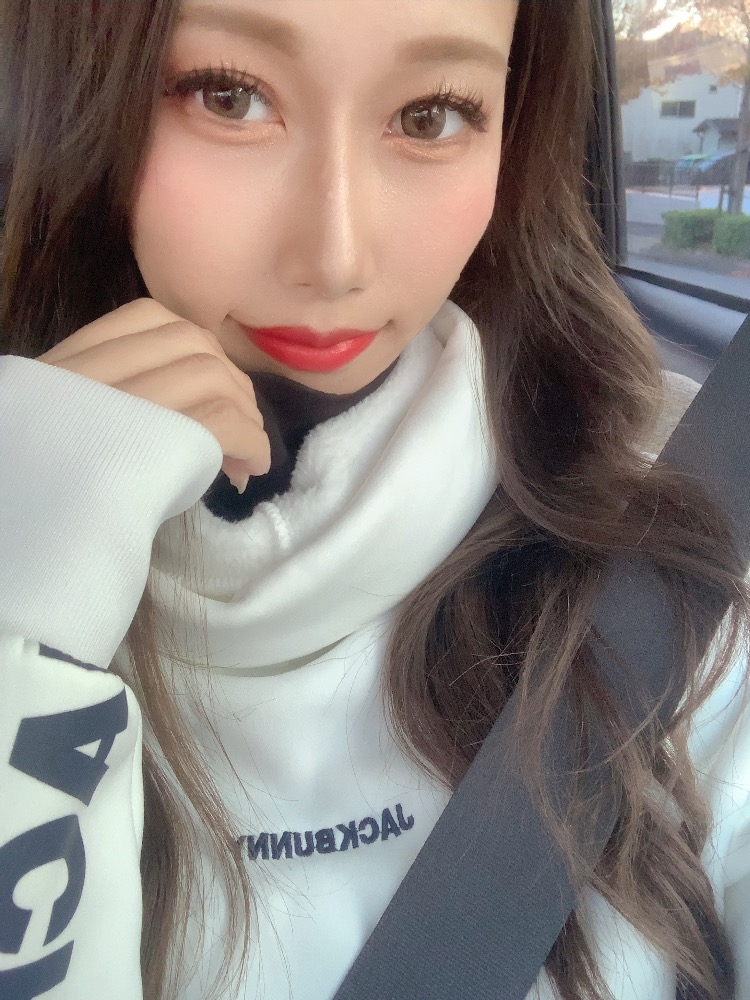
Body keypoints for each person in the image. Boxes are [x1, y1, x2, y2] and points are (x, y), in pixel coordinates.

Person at [0, 1, 748, 998]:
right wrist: (23, 629)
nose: (336, 257)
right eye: (228, 97)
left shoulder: (681, 620)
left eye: (432, 114)